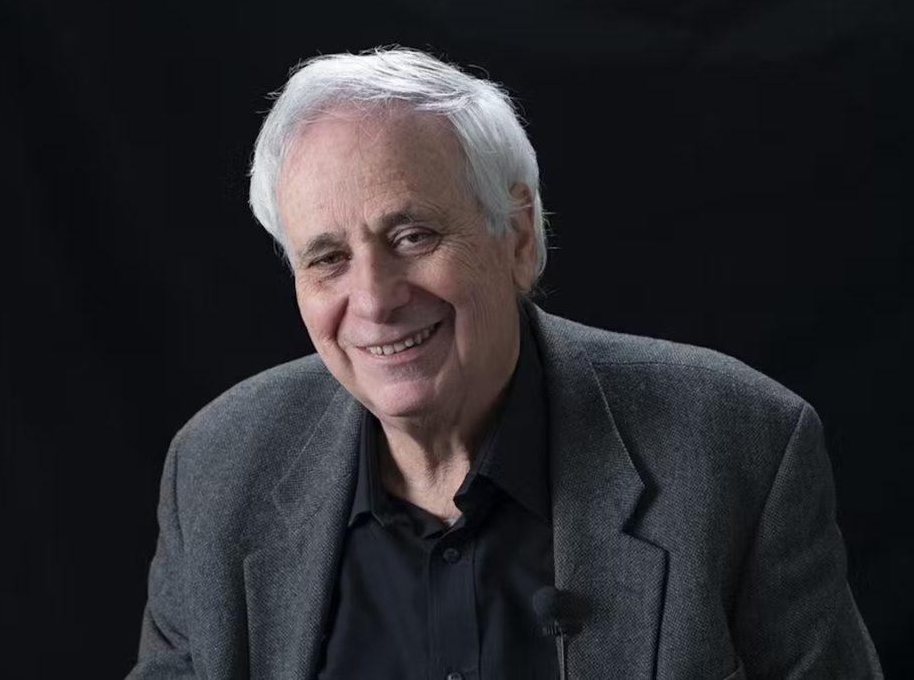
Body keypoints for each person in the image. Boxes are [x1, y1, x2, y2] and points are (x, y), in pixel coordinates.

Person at [129, 48, 882, 679]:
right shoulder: (217, 469)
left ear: (518, 237)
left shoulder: (737, 447)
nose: (375, 299)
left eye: (413, 236)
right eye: (327, 258)